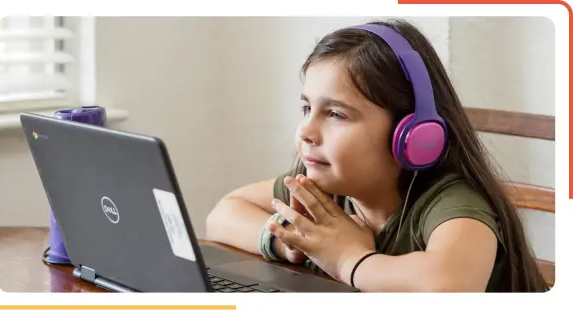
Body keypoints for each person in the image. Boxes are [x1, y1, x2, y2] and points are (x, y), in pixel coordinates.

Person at [205, 18, 549, 292]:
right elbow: (222, 215)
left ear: (413, 135)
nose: (306, 132)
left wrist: (347, 259)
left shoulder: (450, 204)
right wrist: (287, 244)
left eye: (336, 114)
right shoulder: (323, 189)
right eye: (307, 107)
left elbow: (449, 285)